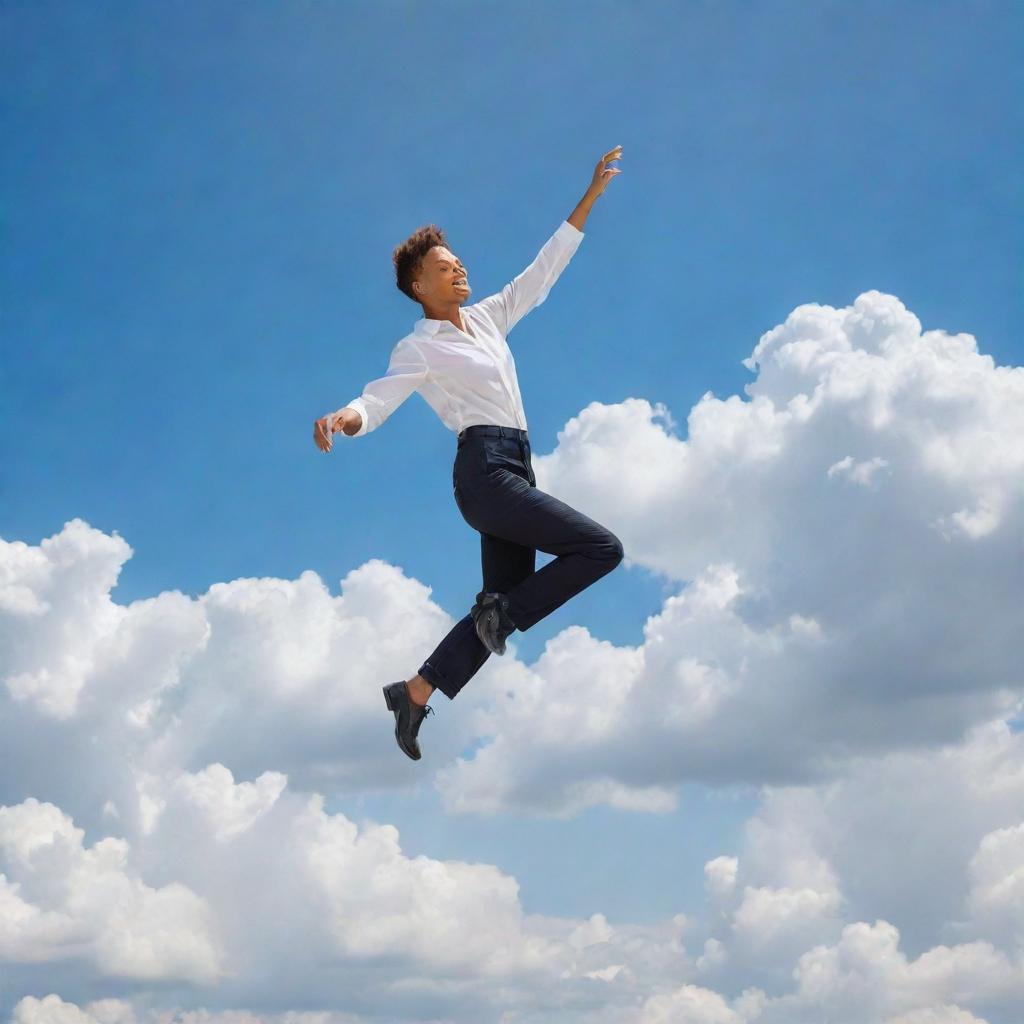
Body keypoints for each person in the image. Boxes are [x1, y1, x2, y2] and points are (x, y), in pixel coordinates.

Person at [313, 145, 625, 761]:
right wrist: (345, 419)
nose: (460, 271)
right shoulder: (418, 347)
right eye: (446, 267)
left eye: (460, 263)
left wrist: (588, 198)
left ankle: (416, 691)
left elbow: (542, 272)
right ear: (417, 285)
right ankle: (500, 616)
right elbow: (378, 399)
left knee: (496, 612)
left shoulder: (487, 319)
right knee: (601, 548)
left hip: (516, 465)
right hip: (484, 474)